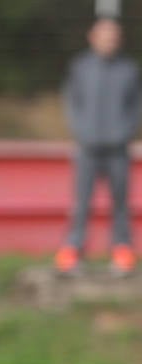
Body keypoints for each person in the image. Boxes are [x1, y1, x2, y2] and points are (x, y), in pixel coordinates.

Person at [54, 15, 141, 277]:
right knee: (81, 202)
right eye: (104, 34)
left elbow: (136, 106)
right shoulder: (80, 67)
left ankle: (122, 250)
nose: (108, 40)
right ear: (93, 37)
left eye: (113, 35)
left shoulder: (130, 70)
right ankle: (73, 249)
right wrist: (81, 130)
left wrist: (125, 132)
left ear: (119, 39)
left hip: (118, 150)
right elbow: (71, 101)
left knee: (121, 203)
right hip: (87, 148)